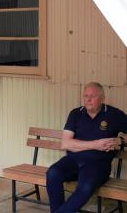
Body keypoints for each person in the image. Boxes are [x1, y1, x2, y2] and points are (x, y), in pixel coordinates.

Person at [46, 82, 127, 213]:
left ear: (102, 98)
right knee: (53, 173)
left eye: (92, 96)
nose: (88, 99)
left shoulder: (114, 115)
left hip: (98, 164)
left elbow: (71, 143)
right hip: (72, 161)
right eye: (86, 96)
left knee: (85, 187)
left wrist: (121, 140)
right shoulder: (75, 113)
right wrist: (96, 144)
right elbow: (65, 143)